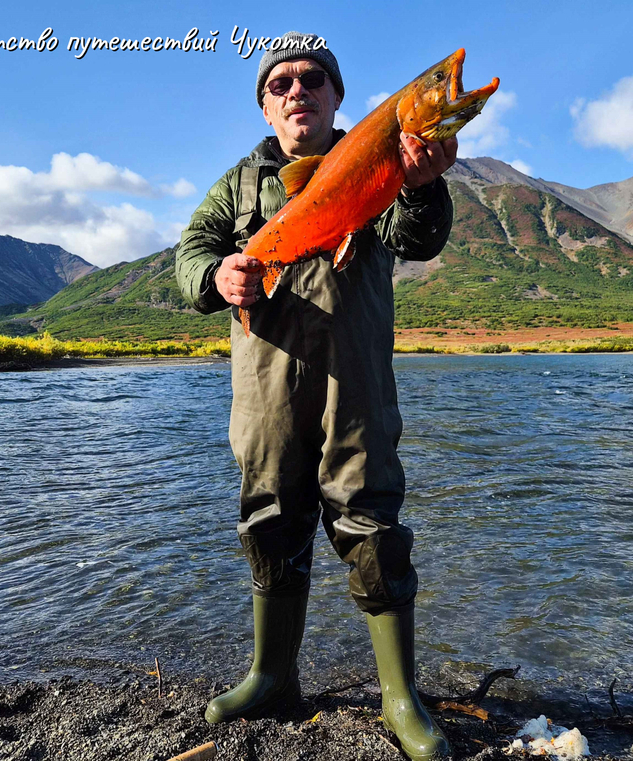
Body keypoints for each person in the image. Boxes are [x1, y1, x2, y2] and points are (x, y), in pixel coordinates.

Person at [174, 32, 456, 761]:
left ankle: (400, 696)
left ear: (336, 97)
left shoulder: (379, 155)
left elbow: (415, 237)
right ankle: (273, 677)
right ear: (267, 105)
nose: (297, 90)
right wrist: (216, 277)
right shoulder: (238, 184)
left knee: (371, 522)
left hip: (354, 382)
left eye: (313, 80)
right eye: (282, 83)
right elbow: (190, 252)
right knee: (269, 518)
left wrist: (422, 183)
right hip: (263, 391)